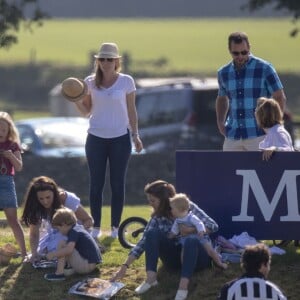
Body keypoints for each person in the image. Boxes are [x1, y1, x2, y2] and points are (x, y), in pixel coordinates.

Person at [74, 42, 143, 239]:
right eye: (102, 59)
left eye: (109, 59)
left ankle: (115, 228)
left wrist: (135, 135)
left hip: (120, 138)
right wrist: (76, 99)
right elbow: (86, 111)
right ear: (97, 61)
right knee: (96, 184)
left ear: (116, 61)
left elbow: (131, 110)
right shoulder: (89, 82)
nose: (105, 62)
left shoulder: (126, 81)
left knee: (117, 183)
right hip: (95, 138)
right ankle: (95, 228)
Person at [111, 180, 219, 300]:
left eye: (153, 200)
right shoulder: (157, 217)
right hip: (174, 259)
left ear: (164, 200)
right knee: (151, 233)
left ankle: (183, 286)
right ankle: (151, 278)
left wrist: (191, 230)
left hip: (197, 258)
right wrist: (124, 267)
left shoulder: (186, 205)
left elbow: (213, 225)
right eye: (149, 200)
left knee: (191, 240)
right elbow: (143, 243)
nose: (149, 203)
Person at [216, 31, 287, 151]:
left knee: (264, 170)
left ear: (249, 48)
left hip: (260, 135)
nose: (240, 56)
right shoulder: (223, 73)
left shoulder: (265, 68)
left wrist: (274, 128)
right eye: (236, 53)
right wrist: (220, 123)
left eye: (244, 52)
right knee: (229, 169)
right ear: (229, 50)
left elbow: (279, 97)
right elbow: (222, 98)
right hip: (233, 136)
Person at [21, 176, 94, 263]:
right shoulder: (36, 206)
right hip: (56, 233)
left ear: (54, 194)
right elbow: (34, 234)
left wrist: (76, 233)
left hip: (76, 232)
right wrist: (34, 253)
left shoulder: (65, 199)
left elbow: (89, 220)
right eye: (41, 198)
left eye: (48, 197)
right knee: (42, 250)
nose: (45, 202)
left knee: (60, 246)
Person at [169, 193, 227, 270]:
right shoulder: (177, 220)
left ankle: (220, 263)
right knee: (183, 253)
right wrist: (171, 235)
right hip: (186, 240)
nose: (171, 210)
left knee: (210, 250)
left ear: (180, 209)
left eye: (172, 208)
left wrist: (200, 231)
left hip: (200, 237)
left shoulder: (191, 217)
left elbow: (199, 223)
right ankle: (185, 268)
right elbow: (174, 230)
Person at [44, 207, 101, 281]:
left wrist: (53, 254)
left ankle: (59, 274)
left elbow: (69, 250)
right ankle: (67, 268)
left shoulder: (73, 232)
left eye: (58, 229)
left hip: (87, 265)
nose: (59, 232)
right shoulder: (78, 228)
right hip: (91, 264)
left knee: (62, 244)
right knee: (66, 245)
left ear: (64, 224)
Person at [0, 111, 27, 260]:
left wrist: (11, 156)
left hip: (6, 183)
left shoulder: (13, 145)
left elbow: (19, 167)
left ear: (9, 130)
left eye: (3, 129)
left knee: (13, 220)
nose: (1, 132)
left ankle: (24, 253)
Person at [217, 243, 287, 300]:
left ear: (244, 264)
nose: (269, 268)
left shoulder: (229, 289)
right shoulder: (275, 291)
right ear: (263, 264)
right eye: (268, 264)